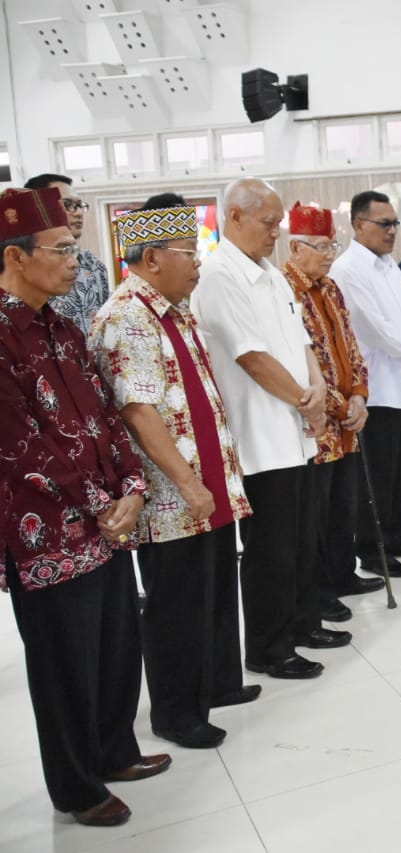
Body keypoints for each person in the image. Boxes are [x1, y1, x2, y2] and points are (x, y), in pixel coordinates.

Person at [0, 186, 164, 828]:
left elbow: (102, 415)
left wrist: (130, 486)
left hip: (106, 521)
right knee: (65, 664)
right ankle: (76, 787)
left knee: (116, 645)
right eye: (62, 249)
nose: (75, 259)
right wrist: (103, 501)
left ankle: (115, 751)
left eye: (75, 247)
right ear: (15, 257)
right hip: (45, 536)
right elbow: (19, 448)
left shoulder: (63, 327)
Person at [89, 196, 256, 751]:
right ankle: (176, 712)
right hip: (172, 498)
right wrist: (187, 482)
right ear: (152, 257)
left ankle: (214, 685)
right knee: (175, 603)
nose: (199, 263)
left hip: (207, 484)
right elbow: (138, 411)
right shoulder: (127, 316)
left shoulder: (172, 308)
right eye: (189, 252)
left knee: (210, 590)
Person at [190, 177, 333, 680]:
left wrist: (315, 390)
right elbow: (250, 356)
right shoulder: (218, 278)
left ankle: (302, 624)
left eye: (278, 223)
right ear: (234, 218)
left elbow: (304, 344)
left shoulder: (271, 274)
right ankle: (270, 648)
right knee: (270, 551)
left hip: (295, 430)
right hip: (259, 437)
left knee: (300, 540)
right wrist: (305, 401)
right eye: (268, 223)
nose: (276, 233)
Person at [282, 202, 387, 626]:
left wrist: (360, 395)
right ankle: (321, 593)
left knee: (345, 504)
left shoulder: (330, 288)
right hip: (317, 423)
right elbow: (300, 363)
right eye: (321, 247)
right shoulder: (285, 290)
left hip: (348, 417)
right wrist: (339, 406)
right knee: (319, 514)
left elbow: (350, 345)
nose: (329, 255)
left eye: (332, 245)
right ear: (295, 248)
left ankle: (343, 576)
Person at [330, 191, 401, 580]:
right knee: (379, 474)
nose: (392, 231)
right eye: (384, 224)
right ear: (358, 224)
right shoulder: (348, 270)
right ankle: (375, 549)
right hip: (377, 387)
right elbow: (374, 327)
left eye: (395, 223)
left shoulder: (389, 265)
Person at [23, 173, 111, 337]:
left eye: (79, 205)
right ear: (38, 208)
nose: (78, 213)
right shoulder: (27, 266)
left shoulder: (93, 264)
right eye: (68, 204)